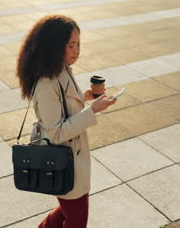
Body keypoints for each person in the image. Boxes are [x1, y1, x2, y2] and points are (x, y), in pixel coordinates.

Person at [16, 15, 116, 228]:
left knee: (67, 211)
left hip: (73, 158)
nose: (76, 50)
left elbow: (64, 107)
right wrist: (93, 111)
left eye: (78, 44)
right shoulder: (46, 83)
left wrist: (85, 97)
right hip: (64, 160)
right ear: (53, 46)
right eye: (71, 45)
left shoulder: (60, 68)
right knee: (76, 218)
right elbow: (56, 132)